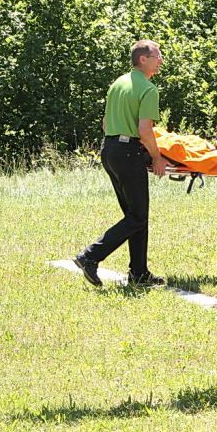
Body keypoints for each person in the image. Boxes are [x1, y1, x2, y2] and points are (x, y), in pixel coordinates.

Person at [74, 40, 169, 287]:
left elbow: (106, 123)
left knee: (135, 214)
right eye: (157, 56)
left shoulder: (118, 83)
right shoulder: (148, 89)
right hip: (128, 153)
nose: (161, 61)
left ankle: (139, 273)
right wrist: (156, 157)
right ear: (143, 59)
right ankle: (90, 256)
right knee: (137, 216)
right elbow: (145, 131)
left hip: (110, 150)